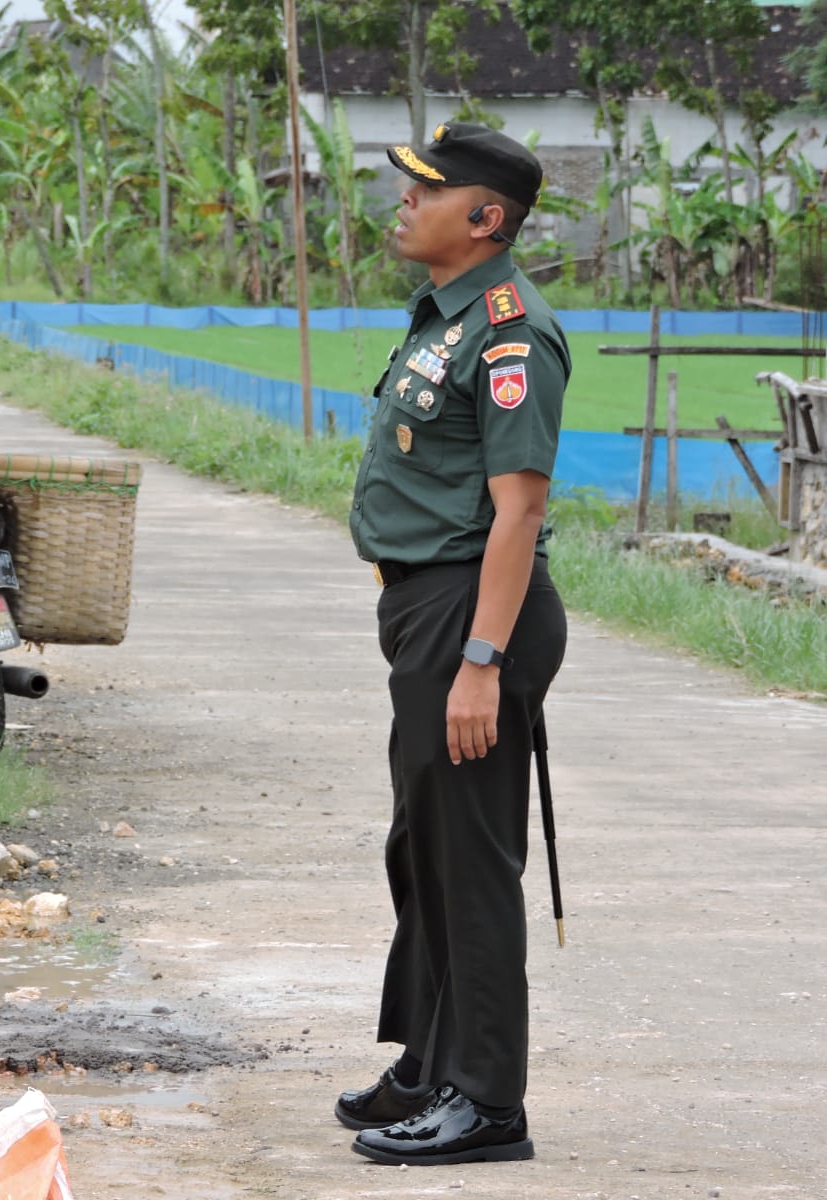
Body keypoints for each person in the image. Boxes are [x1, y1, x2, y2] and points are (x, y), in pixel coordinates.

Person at [340, 121, 570, 1166]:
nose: (404, 201)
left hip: (474, 614)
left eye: (426, 191)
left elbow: (517, 512)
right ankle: (430, 1065)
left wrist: (482, 662)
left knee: (470, 863)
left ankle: (488, 1101)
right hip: (425, 613)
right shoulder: (447, 315)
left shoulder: (513, 332)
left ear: (485, 219)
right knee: (421, 849)